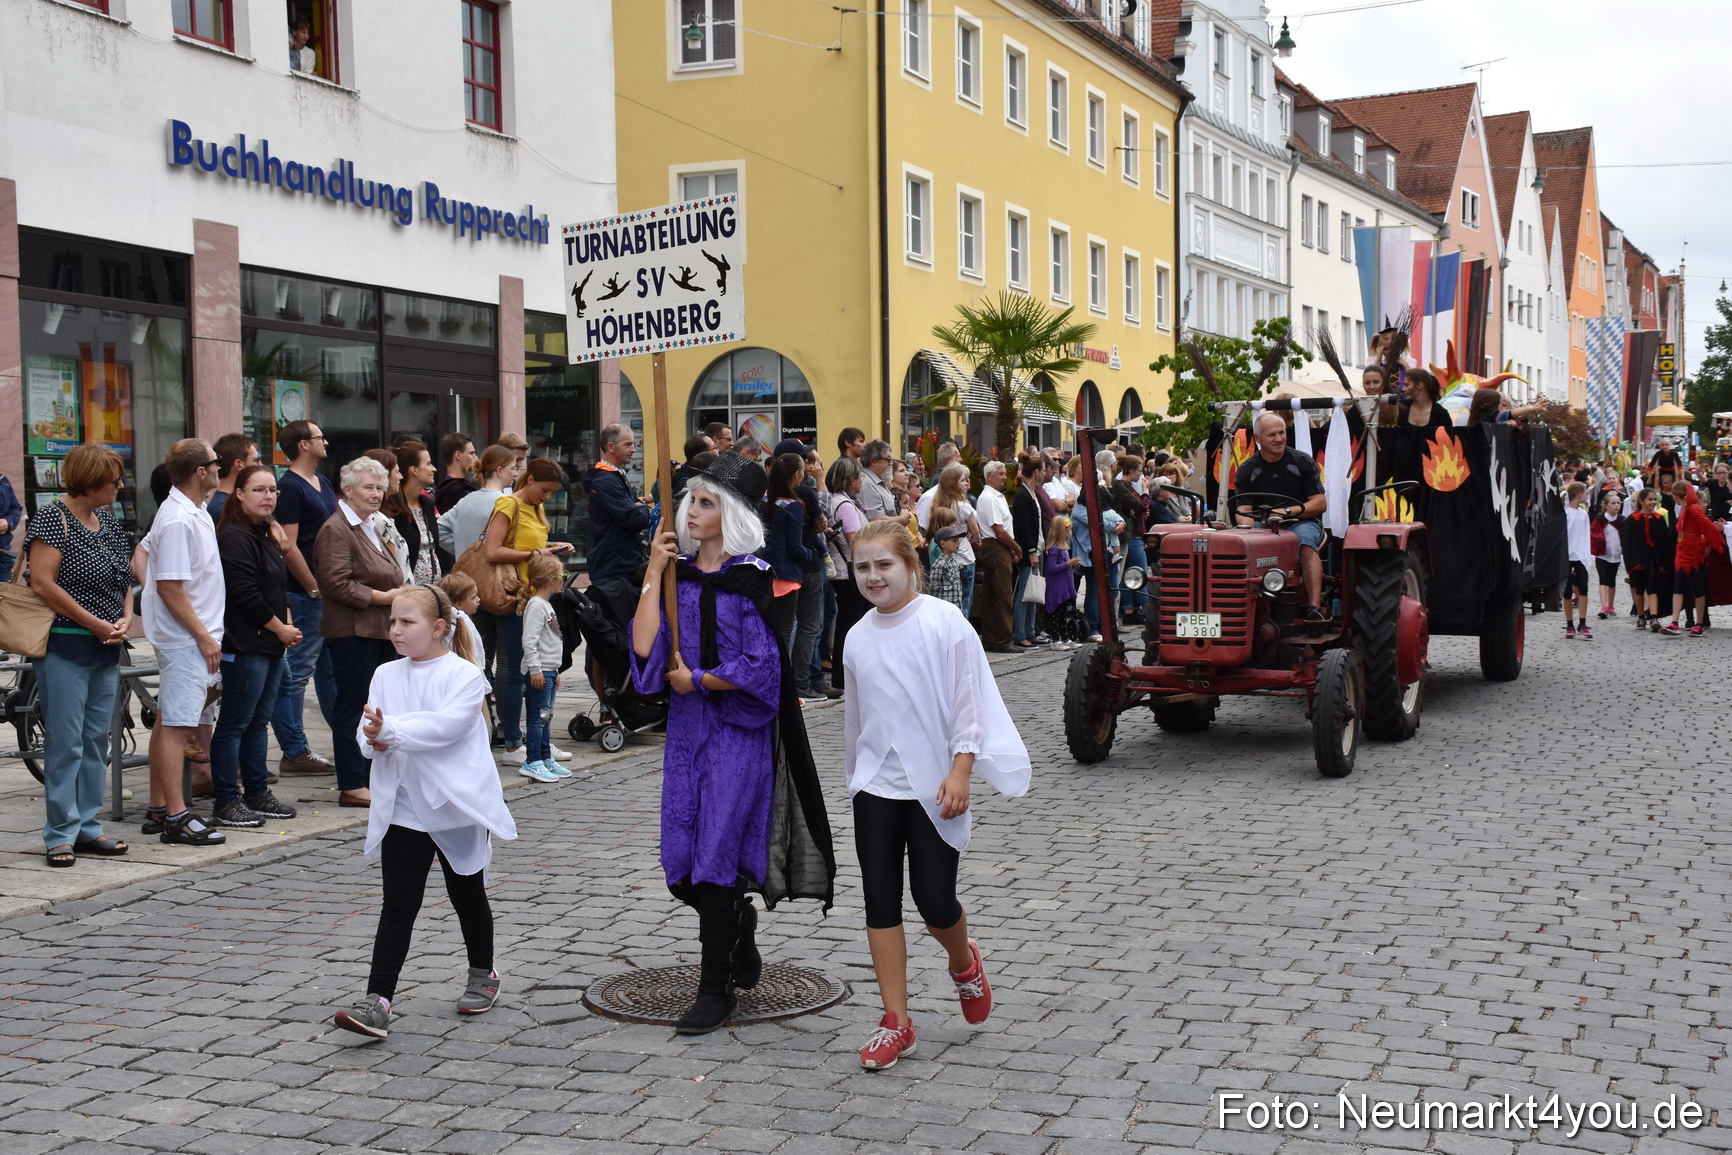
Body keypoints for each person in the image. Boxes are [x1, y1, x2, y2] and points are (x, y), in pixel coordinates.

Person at [629, 454, 836, 1034]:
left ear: (733, 515)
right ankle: (738, 927)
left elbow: (762, 666)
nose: (692, 512)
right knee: (683, 866)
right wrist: (653, 572)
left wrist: (697, 679)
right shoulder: (675, 574)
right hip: (686, 735)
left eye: (706, 503)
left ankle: (714, 988)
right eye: (690, 501)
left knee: (716, 855)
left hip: (737, 735)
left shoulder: (752, 578)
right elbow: (644, 648)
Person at [841, 518, 1030, 1070]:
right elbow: (856, 718)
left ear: (910, 565)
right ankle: (896, 1020)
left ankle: (963, 960)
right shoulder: (856, 636)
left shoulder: (945, 623)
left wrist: (961, 769)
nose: (873, 576)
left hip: (934, 784)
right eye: (862, 567)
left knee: (934, 901)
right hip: (876, 785)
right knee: (880, 899)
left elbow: (969, 701)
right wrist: (856, 777)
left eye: (884, 564)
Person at [331, 585, 516, 1041]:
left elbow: (445, 728)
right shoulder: (385, 673)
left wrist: (389, 730)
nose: (395, 629)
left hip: (456, 804)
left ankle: (483, 972)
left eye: (406, 622)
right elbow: (368, 728)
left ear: (437, 628)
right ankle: (378, 1000)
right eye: (392, 621)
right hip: (404, 806)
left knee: (466, 894)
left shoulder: (464, 675)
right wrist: (373, 739)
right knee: (398, 903)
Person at [25, 444, 135, 867]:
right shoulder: (53, 518)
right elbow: (42, 583)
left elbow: (125, 577)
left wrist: (125, 618)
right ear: (90, 482)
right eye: (113, 481)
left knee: (95, 740)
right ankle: (60, 832)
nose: (120, 486)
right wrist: (94, 623)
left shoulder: (108, 521)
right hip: (65, 645)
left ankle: (87, 825)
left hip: (106, 647)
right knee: (65, 741)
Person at [138, 439, 228, 847]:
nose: (220, 467)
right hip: (186, 638)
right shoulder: (178, 518)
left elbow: (154, 563)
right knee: (178, 726)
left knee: (169, 721)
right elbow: (170, 587)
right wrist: (203, 636)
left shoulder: (193, 510)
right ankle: (176, 816)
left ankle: (160, 807)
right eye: (216, 462)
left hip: (190, 635)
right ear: (200, 472)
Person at [209, 463, 303, 828]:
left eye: (273, 490)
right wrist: (280, 628)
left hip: (271, 643)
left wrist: (286, 625)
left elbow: (276, 588)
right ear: (239, 494)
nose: (269, 496)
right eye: (260, 490)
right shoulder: (235, 536)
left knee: (258, 722)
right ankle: (226, 800)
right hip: (246, 644)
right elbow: (245, 595)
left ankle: (257, 791)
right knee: (234, 722)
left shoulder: (263, 532)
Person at [314, 456, 409, 808]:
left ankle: (372, 777)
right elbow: (336, 583)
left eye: (380, 488)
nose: (376, 494)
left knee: (377, 706)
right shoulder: (336, 528)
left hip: (378, 630)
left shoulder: (368, 525)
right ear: (348, 490)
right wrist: (384, 597)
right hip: (353, 631)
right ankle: (352, 784)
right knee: (353, 706)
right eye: (368, 487)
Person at [485, 458, 575, 763]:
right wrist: (537, 552)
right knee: (516, 668)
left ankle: (538, 742)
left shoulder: (536, 507)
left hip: (533, 595)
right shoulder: (508, 504)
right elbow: (492, 550)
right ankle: (513, 743)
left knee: (535, 666)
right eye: (544, 490)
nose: (547, 497)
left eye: (552, 493)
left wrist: (552, 548)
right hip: (513, 595)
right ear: (531, 479)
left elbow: (531, 545)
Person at [271, 420, 340, 778]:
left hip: (326, 592)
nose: (325, 441)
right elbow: (289, 545)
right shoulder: (290, 487)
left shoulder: (322, 482)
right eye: (319, 437)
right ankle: (294, 750)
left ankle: (346, 738)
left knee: (329, 670)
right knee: (298, 671)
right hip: (305, 594)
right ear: (302, 444)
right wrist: (312, 586)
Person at [1233, 411, 1327, 618]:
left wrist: (1286, 512)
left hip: (1300, 522)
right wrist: (1249, 532)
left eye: (1281, 433)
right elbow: (1244, 511)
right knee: (1239, 545)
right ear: (1257, 439)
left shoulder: (1302, 462)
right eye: (1272, 435)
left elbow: (1320, 503)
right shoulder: (1247, 470)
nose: (1278, 438)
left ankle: (1314, 608)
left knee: (1305, 543)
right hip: (1263, 526)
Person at [518, 553, 571, 783]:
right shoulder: (537, 606)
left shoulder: (545, 605)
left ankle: (545, 757)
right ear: (551, 578)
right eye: (562, 574)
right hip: (539, 671)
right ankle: (532, 761)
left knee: (546, 717)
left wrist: (554, 671)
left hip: (548, 670)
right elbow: (529, 641)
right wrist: (536, 669)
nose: (563, 579)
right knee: (538, 717)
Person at [761, 453, 813, 684]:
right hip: (786, 577)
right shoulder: (793, 506)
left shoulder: (762, 501)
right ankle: (783, 686)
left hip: (763, 574)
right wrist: (810, 554)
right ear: (796, 474)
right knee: (784, 633)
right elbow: (795, 547)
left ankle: (767, 681)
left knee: (767, 633)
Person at [823, 457, 870, 693]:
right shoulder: (846, 505)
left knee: (847, 624)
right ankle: (844, 678)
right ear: (851, 480)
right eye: (860, 477)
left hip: (842, 571)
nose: (862, 481)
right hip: (847, 572)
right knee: (850, 625)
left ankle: (844, 678)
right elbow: (854, 541)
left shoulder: (836, 501)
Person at [584, 423, 650, 588]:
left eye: (634, 444)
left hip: (620, 564)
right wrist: (642, 506)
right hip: (614, 568)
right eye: (628, 444)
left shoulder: (615, 476)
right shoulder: (606, 481)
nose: (634, 449)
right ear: (611, 447)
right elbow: (635, 519)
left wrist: (638, 506)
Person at [1662, 481, 1724, 637]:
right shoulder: (1686, 508)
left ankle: (1699, 624)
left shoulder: (1693, 508)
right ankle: (1674, 622)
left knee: (1697, 588)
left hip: (1695, 553)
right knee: (1678, 587)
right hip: (1683, 551)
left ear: (1676, 495)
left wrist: (1710, 543)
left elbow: (1707, 526)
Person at [972, 460, 1021, 653]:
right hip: (995, 546)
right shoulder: (989, 498)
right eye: (1000, 474)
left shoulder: (995, 497)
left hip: (998, 547)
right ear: (989, 476)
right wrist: (1016, 547)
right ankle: (1001, 639)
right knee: (1002, 595)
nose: (1004, 477)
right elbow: (999, 531)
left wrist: (1011, 548)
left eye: (1004, 473)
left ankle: (992, 638)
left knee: (994, 594)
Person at [924, 464, 981, 620]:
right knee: (964, 601)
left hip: (944, 557)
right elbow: (976, 534)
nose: (967, 483)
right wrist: (970, 537)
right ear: (953, 484)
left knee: (946, 600)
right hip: (965, 557)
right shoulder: (963, 506)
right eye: (963, 480)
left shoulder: (937, 504)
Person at [387, 440, 444, 583]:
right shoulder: (392, 510)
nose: (434, 469)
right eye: (428, 464)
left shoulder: (428, 504)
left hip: (434, 589)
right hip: (408, 591)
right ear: (414, 470)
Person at [1011, 456, 1048, 649]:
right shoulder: (1023, 496)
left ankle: (1030, 631)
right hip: (1029, 551)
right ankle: (1020, 634)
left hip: (1038, 549)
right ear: (1036, 472)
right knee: (1025, 593)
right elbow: (1024, 527)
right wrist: (1031, 551)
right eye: (1043, 470)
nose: (1045, 473)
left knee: (1034, 593)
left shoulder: (1033, 494)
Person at [1622, 488, 1671, 631]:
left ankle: (1653, 616)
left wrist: (1663, 562)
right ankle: (1641, 616)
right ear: (1642, 501)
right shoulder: (1632, 519)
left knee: (1652, 587)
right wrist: (1630, 562)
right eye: (1650, 499)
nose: (1653, 502)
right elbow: (1626, 542)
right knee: (1639, 588)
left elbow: (1664, 542)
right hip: (1637, 559)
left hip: (1653, 558)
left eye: (1654, 499)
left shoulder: (1659, 519)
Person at [1109, 455, 1149, 626]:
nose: (1141, 474)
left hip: (1131, 533)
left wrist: (1134, 509)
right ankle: (1146, 608)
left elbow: (1136, 507)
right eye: (1139, 470)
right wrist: (1145, 491)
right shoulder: (1121, 486)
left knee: (1128, 574)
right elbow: (1141, 505)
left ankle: (1128, 610)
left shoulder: (1125, 486)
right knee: (1138, 573)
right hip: (1128, 535)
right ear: (1131, 471)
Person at [438, 572, 487, 673]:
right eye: (473, 597)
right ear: (459, 604)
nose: (478, 599)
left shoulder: (462, 620)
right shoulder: (454, 626)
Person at [206, 433, 259, 523]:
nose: (261, 465)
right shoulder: (224, 509)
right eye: (256, 460)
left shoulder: (231, 504)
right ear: (239, 464)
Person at [1562, 482, 1592, 639]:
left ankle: (1582, 623)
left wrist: (1587, 555)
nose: (1586, 496)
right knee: (1567, 591)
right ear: (1580, 493)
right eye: (1585, 493)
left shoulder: (1584, 514)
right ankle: (1569, 624)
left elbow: (1585, 535)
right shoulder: (1564, 513)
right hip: (1566, 556)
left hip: (1581, 556)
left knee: (1583, 589)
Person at [1591, 492, 1624, 621]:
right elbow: (1593, 534)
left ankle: (1611, 605)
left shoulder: (1621, 520)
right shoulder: (1600, 519)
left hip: (1616, 555)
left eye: (1618, 503)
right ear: (1606, 505)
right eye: (1613, 503)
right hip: (1602, 555)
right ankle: (1604, 606)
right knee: (1603, 579)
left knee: (1612, 580)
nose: (1616, 505)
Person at [926, 520, 968, 610]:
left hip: (955, 608)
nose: (958, 543)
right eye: (954, 540)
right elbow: (933, 588)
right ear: (943, 544)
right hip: (944, 609)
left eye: (958, 540)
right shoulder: (940, 564)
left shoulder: (953, 562)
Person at [435, 432, 479, 515]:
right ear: (458, 455)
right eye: (471, 453)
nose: (476, 457)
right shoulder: (462, 492)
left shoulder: (442, 489)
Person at [857, 441, 901, 522]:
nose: (891, 463)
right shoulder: (866, 484)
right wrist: (902, 519)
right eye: (888, 460)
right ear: (873, 462)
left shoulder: (877, 482)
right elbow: (875, 521)